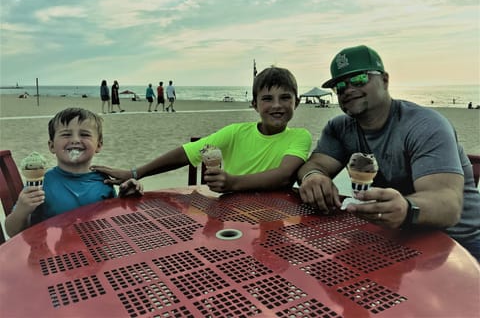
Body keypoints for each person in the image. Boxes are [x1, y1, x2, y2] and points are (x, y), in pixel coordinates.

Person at [297, 45, 480, 261]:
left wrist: (406, 208)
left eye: (358, 79)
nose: (347, 89)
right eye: (340, 85)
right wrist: (313, 177)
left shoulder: (425, 125)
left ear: (385, 80)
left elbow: (448, 205)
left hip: (461, 245)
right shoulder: (339, 128)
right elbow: (316, 164)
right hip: (397, 238)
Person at [91, 66, 312, 193]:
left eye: (285, 98)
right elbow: (188, 152)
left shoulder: (299, 137)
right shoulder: (235, 132)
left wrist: (232, 182)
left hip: (278, 214)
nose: (276, 105)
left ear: (297, 102)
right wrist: (135, 173)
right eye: (267, 99)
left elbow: (283, 176)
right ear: (254, 104)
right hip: (233, 214)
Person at [5, 108, 143, 237]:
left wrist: (124, 199)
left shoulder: (104, 181)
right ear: (52, 146)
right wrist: (22, 209)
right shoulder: (42, 184)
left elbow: (112, 222)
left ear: (99, 145)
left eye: (84, 134)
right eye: (66, 134)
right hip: (53, 255)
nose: (75, 140)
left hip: (95, 252)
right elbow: (12, 232)